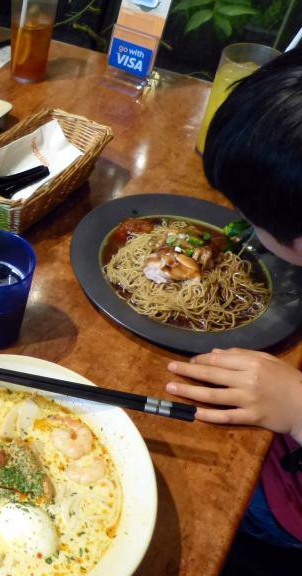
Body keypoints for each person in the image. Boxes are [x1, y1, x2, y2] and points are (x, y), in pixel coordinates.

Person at [166, 48, 302, 548]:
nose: (242, 223)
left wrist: (297, 407)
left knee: (187, 496)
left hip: (285, 502)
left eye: (250, 216)